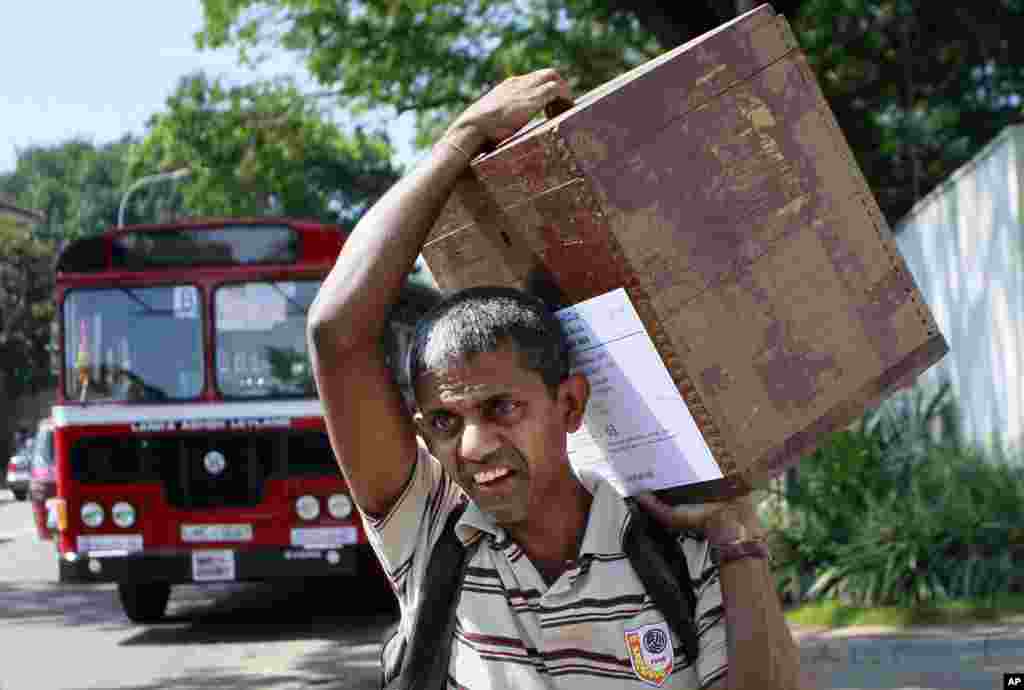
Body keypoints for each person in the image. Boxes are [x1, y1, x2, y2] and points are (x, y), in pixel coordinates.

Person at [307, 68, 801, 689]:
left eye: (502, 408)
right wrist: (464, 137)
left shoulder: (679, 548)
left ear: (568, 404)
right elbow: (335, 333)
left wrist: (738, 540)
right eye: (445, 422)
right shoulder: (434, 536)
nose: (473, 445)